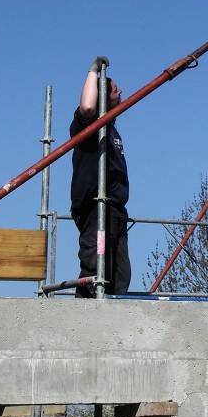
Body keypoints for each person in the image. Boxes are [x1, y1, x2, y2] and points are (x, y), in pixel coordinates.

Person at [70, 55, 131, 296]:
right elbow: (86, 107)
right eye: (115, 90)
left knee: (119, 274)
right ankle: (86, 320)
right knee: (96, 269)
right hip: (96, 208)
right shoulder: (89, 127)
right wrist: (93, 71)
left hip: (115, 210)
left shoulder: (112, 130)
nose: (121, 91)